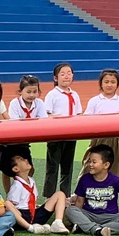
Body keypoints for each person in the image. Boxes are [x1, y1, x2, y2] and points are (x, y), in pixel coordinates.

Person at [65, 144, 119, 236]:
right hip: (89, 214)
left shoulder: (116, 180)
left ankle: (88, 228)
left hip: (110, 217)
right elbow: (80, 201)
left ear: (106, 165)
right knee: (70, 210)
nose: (90, 165)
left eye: (94, 162)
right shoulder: (85, 179)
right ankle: (98, 230)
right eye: (89, 161)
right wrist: (75, 218)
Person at [5, 150, 70, 234]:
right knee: (7, 204)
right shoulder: (17, 185)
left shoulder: (31, 181)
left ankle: (57, 223)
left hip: (35, 213)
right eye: (21, 159)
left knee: (60, 194)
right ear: (15, 169)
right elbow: (11, 206)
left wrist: (37, 206)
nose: (26, 160)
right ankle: (30, 228)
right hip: (23, 215)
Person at [42, 63, 81, 196]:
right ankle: (49, 195)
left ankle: (65, 195)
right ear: (55, 78)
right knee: (52, 167)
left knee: (67, 166)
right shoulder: (52, 95)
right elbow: (46, 114)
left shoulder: (75, 95)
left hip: (71, 135)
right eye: (62, 74)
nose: (66, 76)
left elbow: (78, 114)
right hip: (56, 135)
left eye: (69, 73)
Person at [83, 68, 119, 177]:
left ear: (117, 84)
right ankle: (85, 183)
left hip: (116, 138)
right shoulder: (94, 101)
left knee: (115, 162)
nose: (109, 85)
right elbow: (86, 118)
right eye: (106, 82)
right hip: (98, 136)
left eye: (113, 82)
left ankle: (113, 184)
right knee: (92, 161)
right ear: (101, 83)